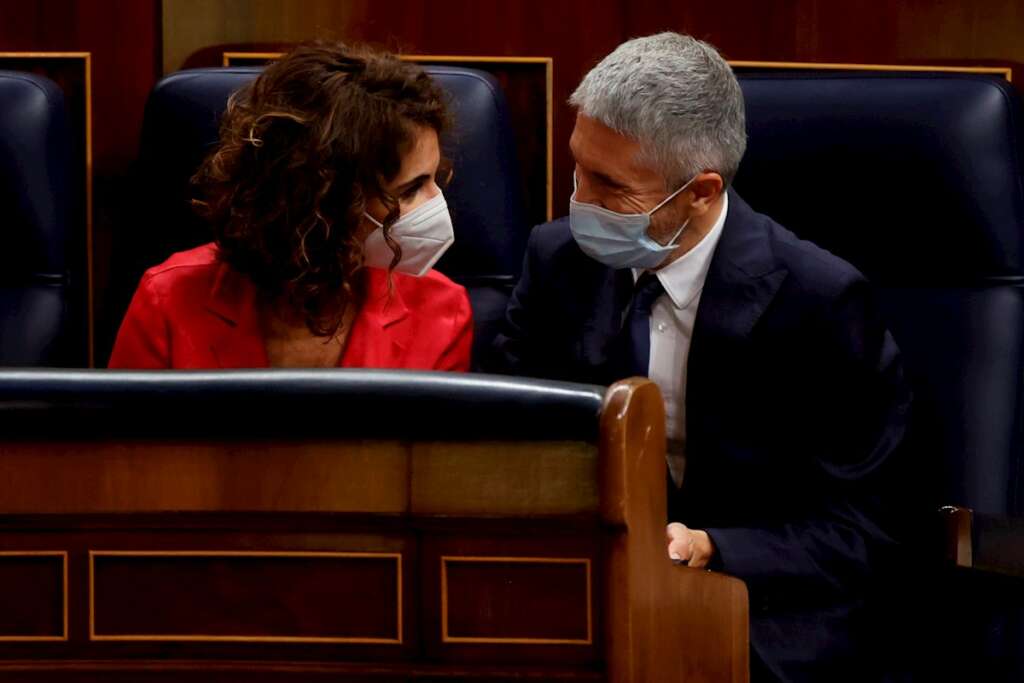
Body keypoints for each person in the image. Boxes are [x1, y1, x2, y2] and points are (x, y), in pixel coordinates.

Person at [487, 33, 911, 682]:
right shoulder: (557, 262)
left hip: (763, 609)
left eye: (610, 185)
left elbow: (864, 527)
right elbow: (503, 442)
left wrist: (711, 546)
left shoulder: (818, 299)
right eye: (579, 170)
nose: (582, 204)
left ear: (701, 192)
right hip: (585, 585)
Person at [109, 42, 472, 370]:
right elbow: (123, 444)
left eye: (434, 179)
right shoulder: (168, 300)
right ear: (327, 201)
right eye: (411, 189)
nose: (436, 205)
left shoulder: (442, 313)